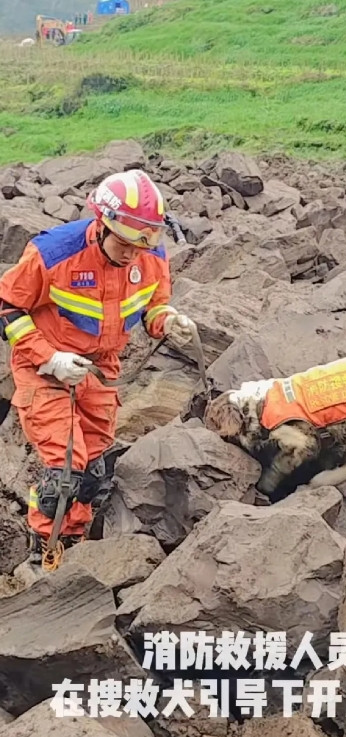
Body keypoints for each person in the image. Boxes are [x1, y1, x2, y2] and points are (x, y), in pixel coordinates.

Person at [0, 169, 196, 567]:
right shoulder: (54, 253)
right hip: (44, 368)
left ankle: (73, 541)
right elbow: (8, 307)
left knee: (93, 471)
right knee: (64, 469)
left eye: (141, 244)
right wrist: (49, 358)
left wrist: (168, 320)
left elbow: (152, 306)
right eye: (124, 243)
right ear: (101, 224)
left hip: (100, 369)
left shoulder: (150, 254)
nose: (131, 254)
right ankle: (45, 548)